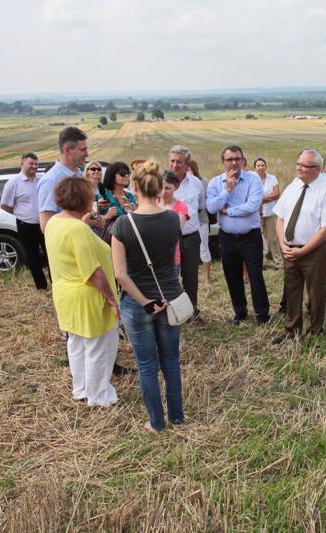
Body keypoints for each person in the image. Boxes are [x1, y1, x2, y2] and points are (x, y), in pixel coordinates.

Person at [111, 160, 185, 432]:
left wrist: (145, 302)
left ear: (134, 186)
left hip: (138, 303)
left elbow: (120, 274)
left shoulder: (122, 224)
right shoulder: (173, 219)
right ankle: (177, 416)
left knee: (146, 366)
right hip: (170, 298)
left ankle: (156, 422)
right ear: (158, 187)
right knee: (171, 362)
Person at [44, 177, 120, 406]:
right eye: (91, 195)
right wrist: (110, 298)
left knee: (76, 343)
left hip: (65, 293)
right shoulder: (78, 229)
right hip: (87, 296)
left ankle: (81, 389)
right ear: (83, 199)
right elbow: (93, 271)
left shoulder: (55, 222)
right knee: (99, 346)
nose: (94, 199)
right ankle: (99, 396)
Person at [271, 149, 326, 344]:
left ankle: (315, 331)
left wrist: (303, 250)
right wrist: (283, 245)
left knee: (315, 293)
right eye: (298, 164)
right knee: (292, 291)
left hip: (313, 252)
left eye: (304, 165)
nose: (299, 168)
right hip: (289, 250)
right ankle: (292, 331)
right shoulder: (293, 187)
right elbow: (280, 218)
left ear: (316, 169)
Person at [207, 145, 270, 325]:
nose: (234, 163)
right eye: (229, 159)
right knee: (232, 276)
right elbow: (211, 208)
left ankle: (262, 315)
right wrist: (227, 189)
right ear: (223, 163)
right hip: (227, 238)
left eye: (237, 159)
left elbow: (252, 206)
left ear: (243, 161)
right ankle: (240, 312)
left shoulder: (253, 180)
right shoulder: (215, 183)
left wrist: (227, 211)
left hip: (250, 236)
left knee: (255, 276)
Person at [0, 153, 48, 290]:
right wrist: (20, 214)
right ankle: (42, 286)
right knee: (33, 257)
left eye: (36, 164)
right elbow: (4, 205)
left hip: (45, 224)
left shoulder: (42, 179)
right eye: (31, 163)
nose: (34, 166)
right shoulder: (13, 183)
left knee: (51, 254)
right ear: (22, 164)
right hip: (26, 225)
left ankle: (56, 284)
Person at [169, 145, 206, 324]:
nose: (175, 165)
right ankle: (173, 315)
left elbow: (199, 208)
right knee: (170, 278)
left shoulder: (196, 183)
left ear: (187, 164)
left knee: (191, 277)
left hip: (191, 237)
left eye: (179, 162)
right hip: (168, 240)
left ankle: (191, 313)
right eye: (172, 161)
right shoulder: (161, 182)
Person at [37, 127, 89, 233]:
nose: (87, 154)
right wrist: (83, 223)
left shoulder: (79, 175)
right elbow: (46, 226)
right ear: (67, 150)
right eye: (82, 150)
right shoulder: (51, 181)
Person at [159, 170, 189, 272]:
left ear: (176, 187)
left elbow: (176, 230)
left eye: (168, 188)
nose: (163, 192)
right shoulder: (153, 203)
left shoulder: (181, 207)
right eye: (161, 187)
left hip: (171, 259)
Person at [255, 157, 283, 270]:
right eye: (258, 165)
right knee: (259, 239)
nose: (261, 167)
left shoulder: (272, 178)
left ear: (265, 167)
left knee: (272, 239)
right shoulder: (253, 179)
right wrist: (266, 198)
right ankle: (262, 262)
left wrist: (261, 199)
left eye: (262, 165)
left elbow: (277, 194)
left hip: (270, 213)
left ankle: (279, 263)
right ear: (255, 168)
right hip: (256, 214)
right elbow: (253, 197)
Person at [188, 160, 212, 284]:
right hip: (187, 222)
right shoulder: (180, 183)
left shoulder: (202, 182)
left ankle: (207, 277)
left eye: (189, 169)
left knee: (204, 247)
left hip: (201, 220)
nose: (187, 172)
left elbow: (203, 201)